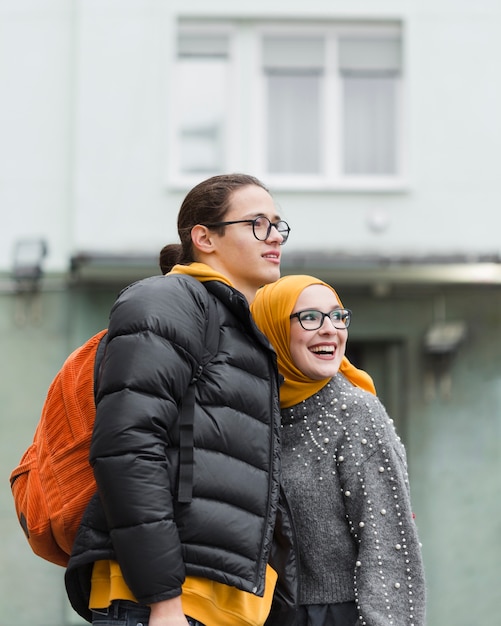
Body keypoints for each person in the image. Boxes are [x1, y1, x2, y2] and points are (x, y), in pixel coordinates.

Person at [64, 174, 298, 626]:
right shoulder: (170, 300)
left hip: (220, 607)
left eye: (278, 224)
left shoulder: (241, 328)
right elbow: (127, 446)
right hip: (165, 605)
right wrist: (163, 599)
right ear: (204, 237)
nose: (274, 237)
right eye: (257, 223)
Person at [250, 275, 426, 626]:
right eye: (310, 317)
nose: (330, 329)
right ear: (270, 330)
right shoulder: (249, 415)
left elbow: (389, 545)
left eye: (337, 316)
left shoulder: (356, 412)